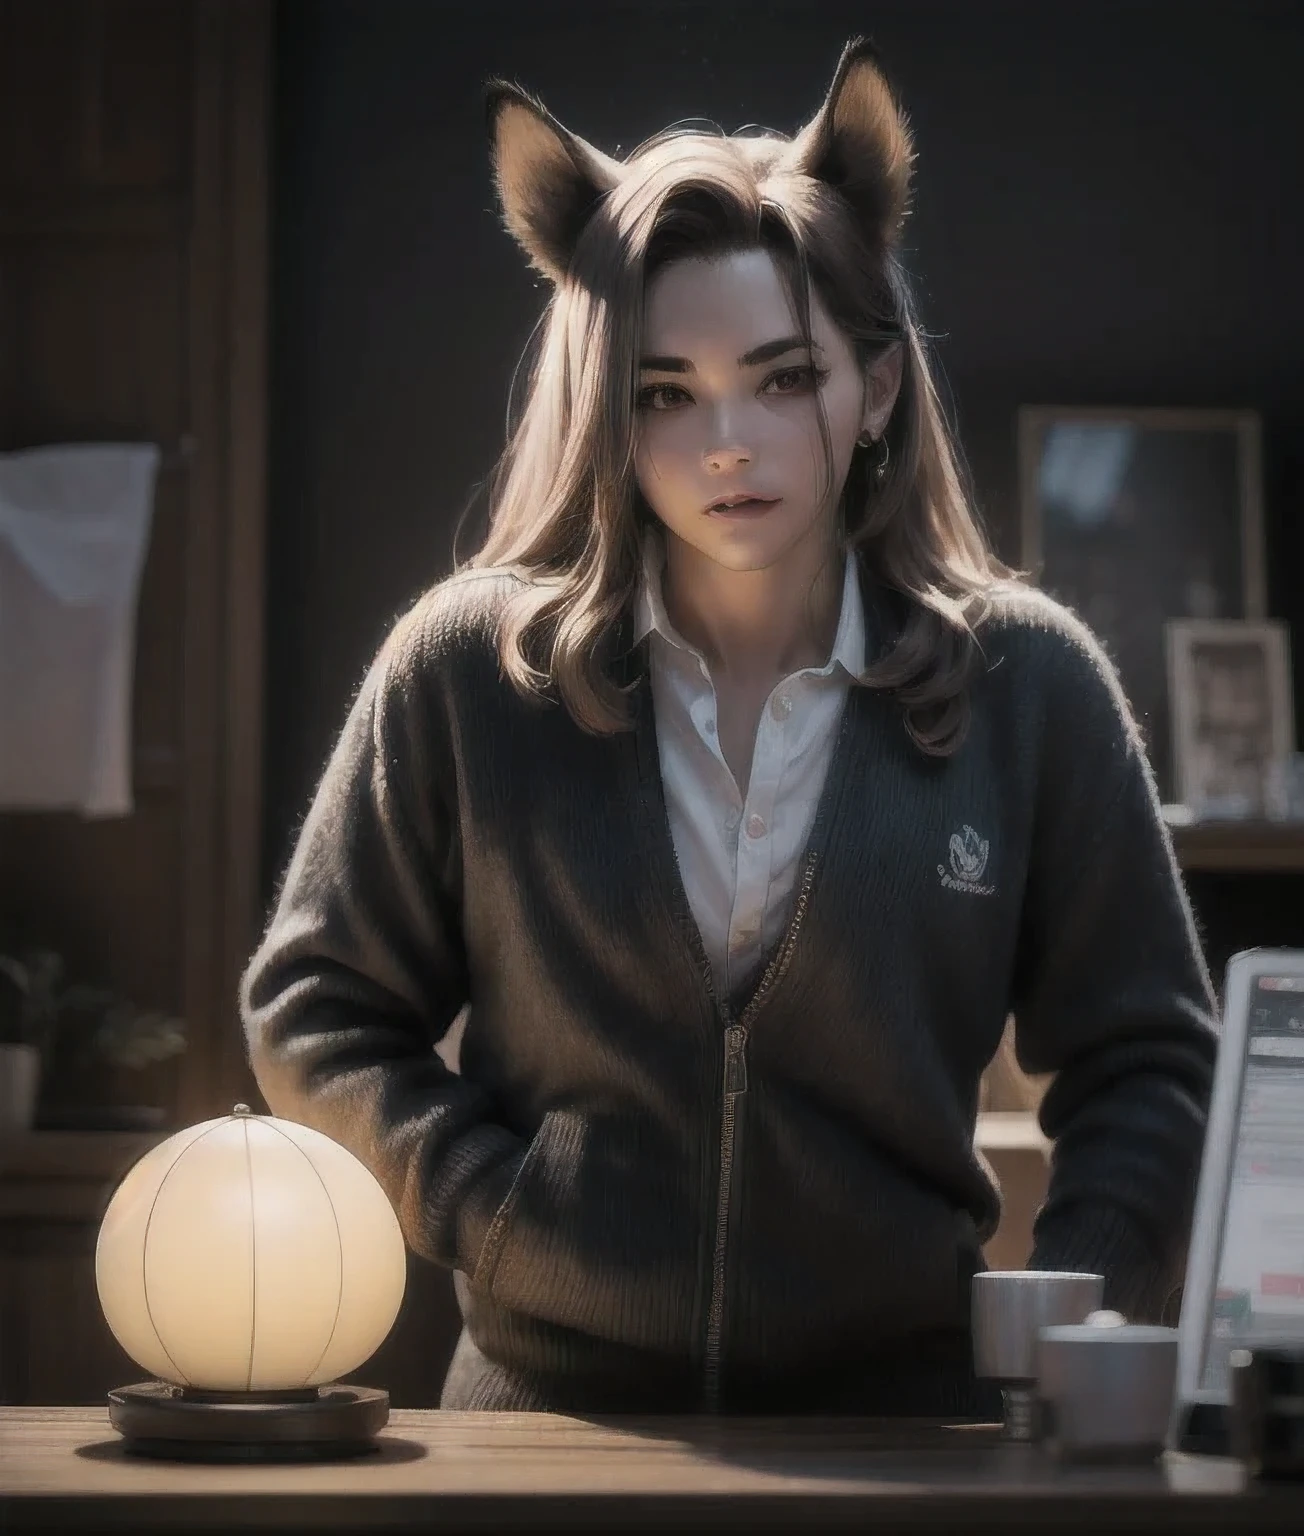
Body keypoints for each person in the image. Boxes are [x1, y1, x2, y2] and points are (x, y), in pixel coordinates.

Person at [241, 39, 1217, 1417]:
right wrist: (499, 1212)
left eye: (781, 377)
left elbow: (1152, 1064)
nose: (726, 445)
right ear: (609, 405)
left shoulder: (1030, 690)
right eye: (666, 391)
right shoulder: (464, 674)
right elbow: (312, 1008)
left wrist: (1070, 1328)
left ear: (874, 387)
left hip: (907, 1441)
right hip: (537, 1437)